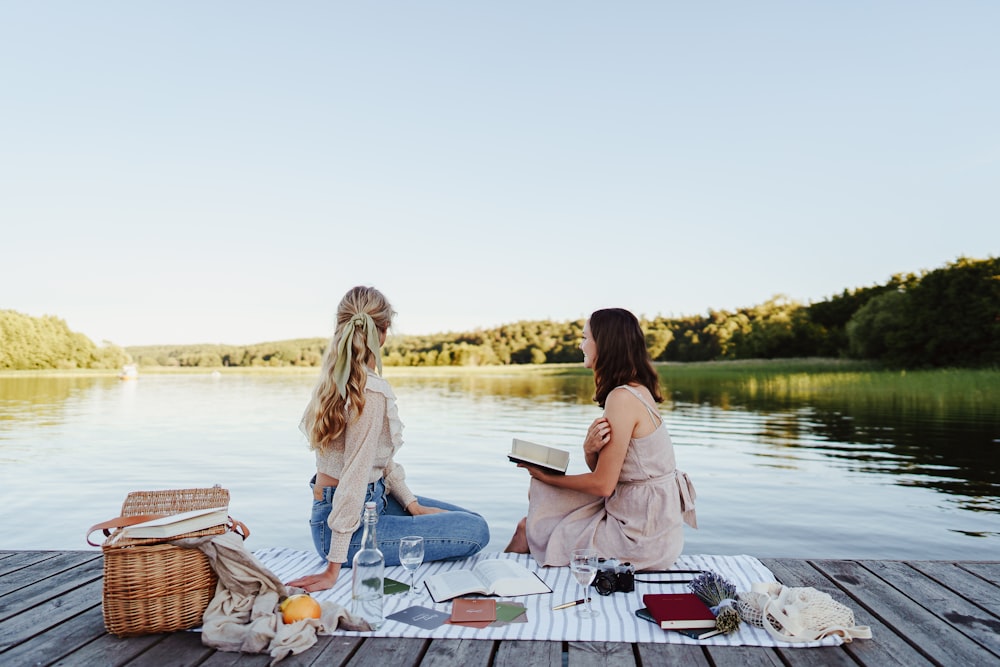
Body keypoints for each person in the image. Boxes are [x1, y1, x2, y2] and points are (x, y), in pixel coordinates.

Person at [287, 286, 490, 592]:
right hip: (350, 528)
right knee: (476, 530)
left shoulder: (336, 380)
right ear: (381, 333)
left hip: (365, 504)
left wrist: (411, 503)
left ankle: (395, 517)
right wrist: (334, 566)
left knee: (466, 518)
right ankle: (340, 553)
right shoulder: (369, 391)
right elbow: (354, 478)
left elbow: (378, 462)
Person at [504, 308, 697, 570]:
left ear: (604, 344)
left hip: (641, 537)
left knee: (528, 527)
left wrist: (544, 475)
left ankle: (494, 581)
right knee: (535, 516)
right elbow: (616, 474)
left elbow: (604, 485)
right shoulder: (634, 391)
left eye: (586, 338)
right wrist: (590, 451)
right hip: (641, 517)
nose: (581, 345)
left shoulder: (622, 398)